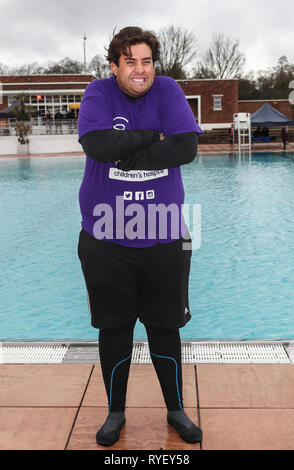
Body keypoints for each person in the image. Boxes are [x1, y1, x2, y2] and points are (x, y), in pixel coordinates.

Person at [77, 26, 203, 447]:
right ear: (114, 66)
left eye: (146, 60)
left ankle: (176, 409)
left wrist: (125, 154)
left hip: (165, 238)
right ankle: (115, 413)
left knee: (165, 328)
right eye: (130, 60)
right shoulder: (98, 93)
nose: (140, 69)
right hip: (105, 238)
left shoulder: (167, 90)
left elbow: (185, 147)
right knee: (115, 329)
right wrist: (152, 137)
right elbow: (96, 143)